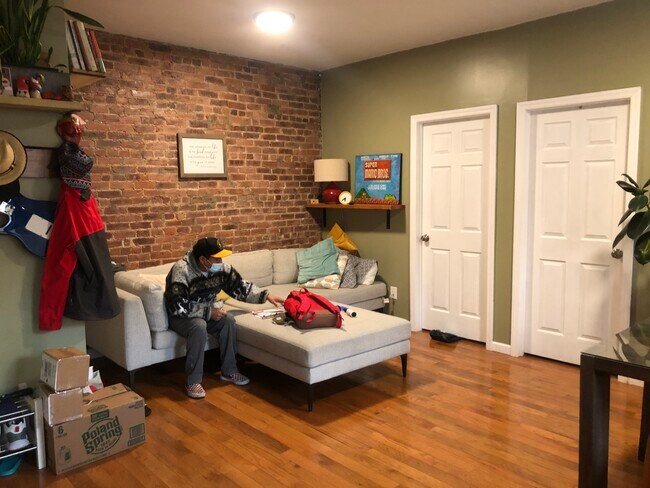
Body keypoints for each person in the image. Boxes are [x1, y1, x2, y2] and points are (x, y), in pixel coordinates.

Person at [164, 237, 285, 399]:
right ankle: (193, 381)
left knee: (228, 321)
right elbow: (176, 305)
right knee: (199, 326)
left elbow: (240, 287)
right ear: (203, 259)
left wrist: (266, 296)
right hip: (181, 317)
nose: (220, 262)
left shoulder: (222, 269)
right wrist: (208, 312)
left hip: (207, 312)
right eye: (216, 259)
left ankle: (229, 371)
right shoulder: (181, 270)